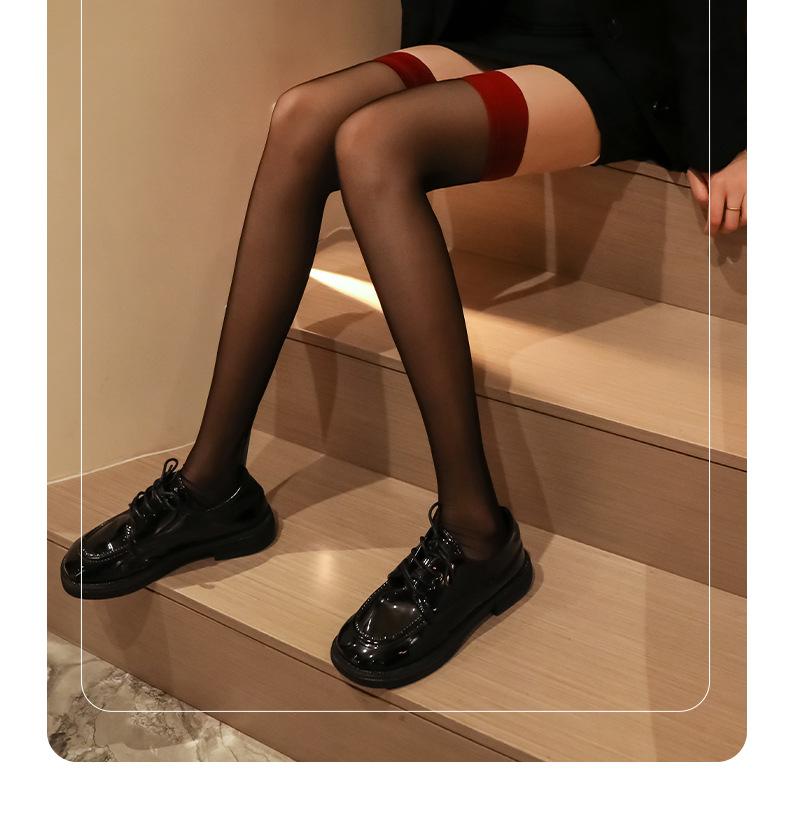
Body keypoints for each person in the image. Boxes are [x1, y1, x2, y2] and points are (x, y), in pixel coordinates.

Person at [61, 0, 747, 689]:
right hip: (496, 30)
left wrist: (733, 128)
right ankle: (214, 484)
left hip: (619, 52)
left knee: (374, 143)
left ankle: (476, 532)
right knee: (302, 115)